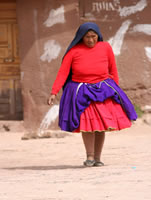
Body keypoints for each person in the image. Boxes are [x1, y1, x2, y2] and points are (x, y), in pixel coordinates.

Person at [47, 22, 137, 167]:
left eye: (93, 36)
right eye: (87, 37)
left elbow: (113, 69)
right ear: (81, 37)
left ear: (98, 36)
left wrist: (116, 90)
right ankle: (89, 157)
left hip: (103, 90)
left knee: (101, 125)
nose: (90, 40)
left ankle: (98, 158)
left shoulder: (105, 47)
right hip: (82, 92)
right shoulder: (73, 51)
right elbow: (63, 73)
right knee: (87, 125)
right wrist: (54, 92)